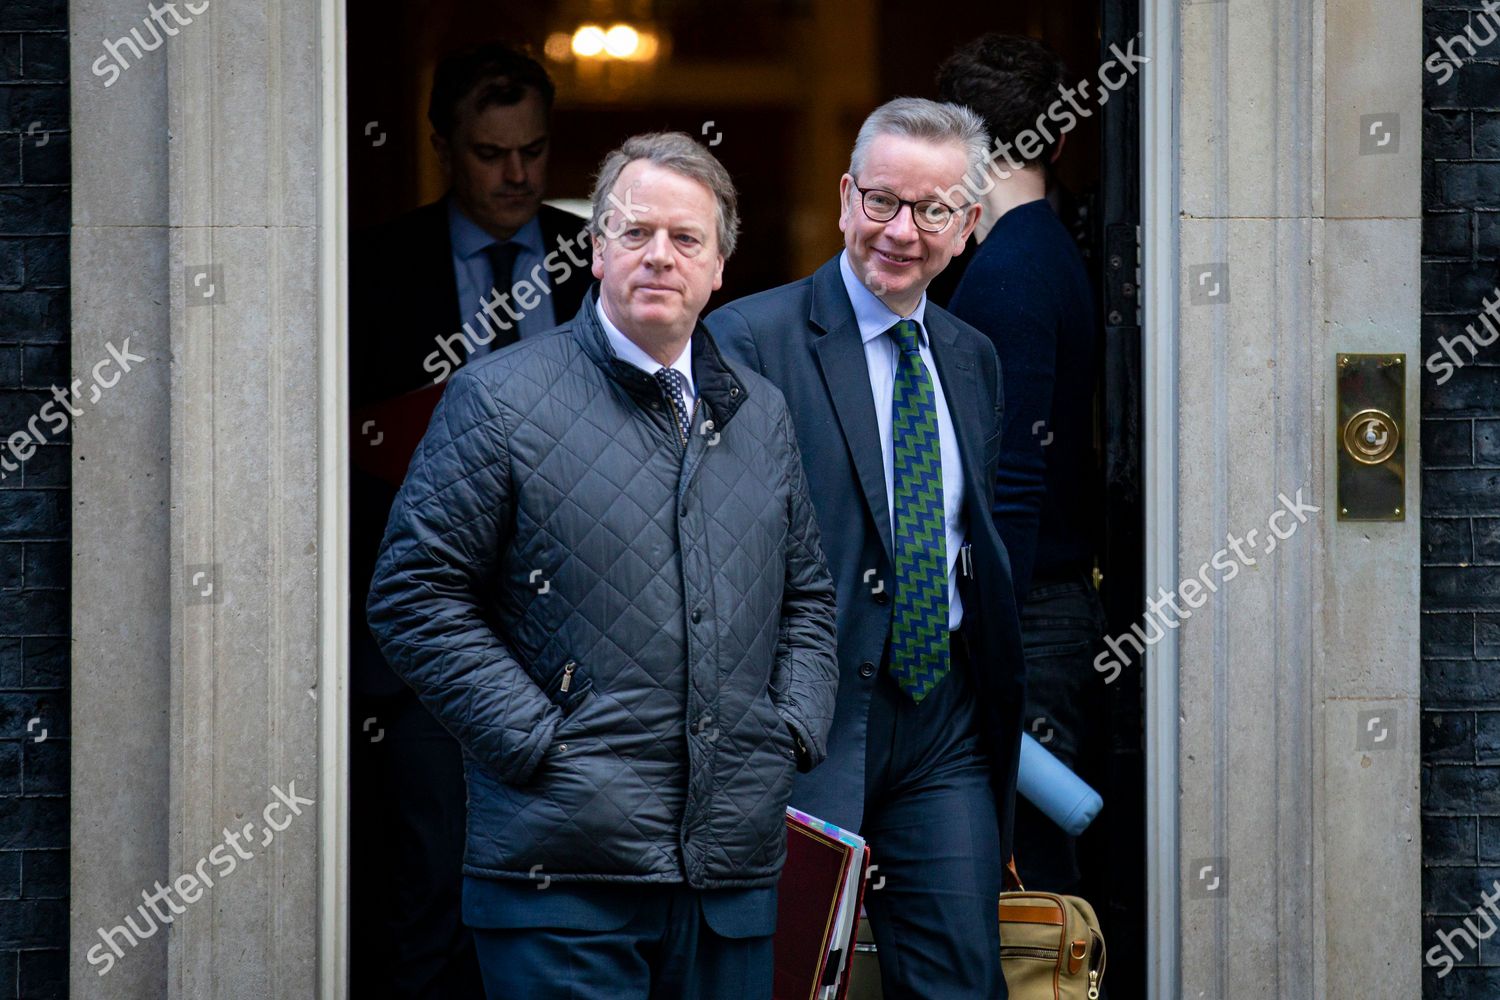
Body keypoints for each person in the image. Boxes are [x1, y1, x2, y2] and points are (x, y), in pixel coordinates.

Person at [367, 131, 840, 1000]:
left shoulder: (761, 413)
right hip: (561, 881)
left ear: (720, 267)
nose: (660, 255)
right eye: (635, 232)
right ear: (595, 250)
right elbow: (413, 593)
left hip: (727, 878)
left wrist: (793, 727)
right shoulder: (499, 397)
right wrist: (538, 741)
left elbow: (808, 592)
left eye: (687, 238)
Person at [707, 97, 1026, 999]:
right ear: (846, 198)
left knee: (961, 981)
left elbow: (974, 540)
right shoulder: (748, 341)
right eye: (882, 201)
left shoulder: (972, 356)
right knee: (791, 977)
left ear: (966, 226)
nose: (900, 231)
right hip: (805, 720)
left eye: (931, 211)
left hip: (943, 723)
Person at [348, 42, 591, 998]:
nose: (518, 174)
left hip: (575, 645)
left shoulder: (598, 262)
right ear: (443, 145)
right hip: (427, 659)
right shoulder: (375, 269)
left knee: (564, 911)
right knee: (426, 906)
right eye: (492, 153)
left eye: (534, 150)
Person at [938, 34, 1105, 902]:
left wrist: (979, 632)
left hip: (1027, 614)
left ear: (959, 142)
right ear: (1058, 138)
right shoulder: (1044, 249)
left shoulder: (1007, 267)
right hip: (1042, 605)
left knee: (1026, 886)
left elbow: (1012, 479)